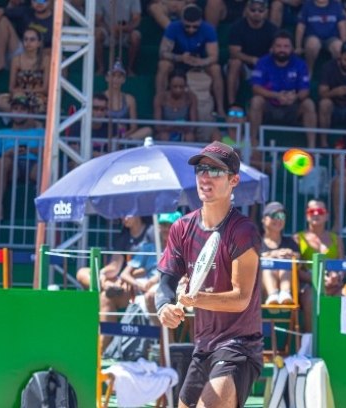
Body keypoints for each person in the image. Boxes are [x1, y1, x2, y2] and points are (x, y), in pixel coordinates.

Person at [155, 141, 263, 408]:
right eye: (202, 169)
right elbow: (166, 283)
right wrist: (164, 307)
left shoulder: (243, 231)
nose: (205, 177)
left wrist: (196, 299)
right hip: (203, 347)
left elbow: (241, 299)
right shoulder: (181, 227)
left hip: (240, 347)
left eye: (216, 171)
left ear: (233, 180)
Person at [77, 215, 155, 349]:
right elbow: (115, 267)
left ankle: (101, 349)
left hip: (140, 283)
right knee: (82, 273)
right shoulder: (123, 237)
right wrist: (101, 275)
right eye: (121, 214)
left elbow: (150, 266)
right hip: (121, 281)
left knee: (106, 297)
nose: (123, 217)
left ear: (139, 213)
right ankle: (105, 286)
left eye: (127, 213)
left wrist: (128, 278)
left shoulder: (152, 232)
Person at [249, 30, 318, 147]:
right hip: (269, 106)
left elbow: (305, 90)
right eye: (279, 46)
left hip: (292, 106)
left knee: (309, 104)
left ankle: (312, 148)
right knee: (256, 101)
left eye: (286, 46)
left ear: (292, 49)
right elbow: (255, 87)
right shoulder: (263, 62)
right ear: (272, 48)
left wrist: (294, 97)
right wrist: (276, 95)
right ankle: (252, 142)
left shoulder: (300, 64)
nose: (282, 49)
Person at [156, 4, 226, 118]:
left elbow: (214, 56)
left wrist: (201, 62)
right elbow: (162, 52)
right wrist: (180, 58)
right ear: (182, 21)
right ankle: (160, 104)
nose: (191, 30)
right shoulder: (173, 27)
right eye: (187, 26)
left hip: (200, 60)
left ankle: (220, 108)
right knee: (163, 65)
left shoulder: (208, 29)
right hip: (179, 59)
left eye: (195, 27)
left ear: (200, 22)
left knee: (216, 68)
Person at [120, 211, 183, 325]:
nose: (166, 229)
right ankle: (104, 342)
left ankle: (164, 339)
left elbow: (182, 273)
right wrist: (140, 284)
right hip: (146, 289)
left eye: (170, 225)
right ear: (158, 226)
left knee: (151, 296)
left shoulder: (182, 249)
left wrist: (153, 280)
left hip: (174, 288)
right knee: (108, 296)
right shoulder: (149, 248)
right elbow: (124, 274)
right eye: (163, 224)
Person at [0, 94, 44, 221]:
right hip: (12, 166)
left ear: (29, 112)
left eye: (22, 109)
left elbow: (48, 153)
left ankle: (43, 211)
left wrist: (29, 150)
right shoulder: (0, 133)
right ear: (11, 112)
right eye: (16, 108)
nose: (18, 112)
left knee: (45, 166)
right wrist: (8, 153)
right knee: (3, 162)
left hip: (33, 165)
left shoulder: (40, 132)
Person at [294, 199, 344, 330]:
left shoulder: (336, 239)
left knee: (344, 299)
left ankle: (336, 340)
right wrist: (319, 280)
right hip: (309, 284)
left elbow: (342, 265)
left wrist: (337, 277)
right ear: (306, 215)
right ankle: (310, 341)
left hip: (334, 284)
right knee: (311, 300)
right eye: (312, 211)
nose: (316, 214)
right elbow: (297, 270)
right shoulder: (298, 238)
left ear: (326, 216)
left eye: (320, 211)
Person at [226, 0, 276, 106]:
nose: (256, 13)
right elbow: (234, 53)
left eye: (260, 10)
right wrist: (252, 59)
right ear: (247, 10)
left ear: (266, 12)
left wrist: (262, 62)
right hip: (245, 67)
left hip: (264, 66)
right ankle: (232, 104)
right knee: (235, 63)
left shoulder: (272, 29)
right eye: (253, 10)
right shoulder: (237, 27)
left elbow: (275, 52)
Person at [0, 0, 53, 72]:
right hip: (21, 50)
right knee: (3, 21)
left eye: (43, 0)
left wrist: (34, 51)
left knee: (55, 55)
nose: (39, 3)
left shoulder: (55, 21)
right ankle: (0, 62)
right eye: (35, 0)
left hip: (40, 56)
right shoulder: (25, 11)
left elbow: (56, 48)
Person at [0, 27, 50, 114]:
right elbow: (11, 87)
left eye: (32, 40)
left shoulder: (46, 60)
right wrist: (19, 94)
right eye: (25, 39)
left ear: (39, 43)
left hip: (38, 97)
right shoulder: (16, 60)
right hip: (19, 95)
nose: (28, 42)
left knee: (40, 105)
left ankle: (21, 115)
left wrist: (27, 92)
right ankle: (25, 116)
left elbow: (45, 89)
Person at [260, 201, 300, 305]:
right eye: (274, 215)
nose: (278, 219)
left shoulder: (290, 242)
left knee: (285, 261)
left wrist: (292, 255)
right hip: (260, 289)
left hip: (288, 287)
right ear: (264, 219)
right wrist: (271, 255)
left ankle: (284, 294)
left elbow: (300, 264)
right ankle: (273, 294)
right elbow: (249, 262)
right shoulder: (256, 242)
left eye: (281, 215)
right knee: (268, 263)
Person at [294, 0, 346, 77]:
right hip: (312, 36)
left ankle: (336, 74)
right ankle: (308, 70)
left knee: (338, 46)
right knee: (312, 44)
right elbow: (300, 27)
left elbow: (342, 26)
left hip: (331, 38)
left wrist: (345, 45)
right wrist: (298, 46)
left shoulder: (336, 5)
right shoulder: (307, 5)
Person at [104, 61, 153, 140]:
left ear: (123, 80)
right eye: (113, 76)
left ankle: (122, 143)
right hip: (105, 135)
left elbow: (133, 127)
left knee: (147, 130)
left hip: (124, 136)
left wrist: (123, 136)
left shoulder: (129, 99)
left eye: (119, 76)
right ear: (107, 78)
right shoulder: (100, 97)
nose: (116, 79)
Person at [94, 0, 142, 76]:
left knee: (136, 36)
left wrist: (122, 29)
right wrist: (110, 29)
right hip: (108, 31)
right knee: (97, 34)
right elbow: (98, 19)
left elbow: (136, 19)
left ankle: (129, 68)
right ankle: (101, 67)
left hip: (126, 31)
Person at [153, 70, 198, 142]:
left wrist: (185, 128)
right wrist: (169, 128)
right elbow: (157, 125)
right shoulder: (160, 98)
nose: (178, 90)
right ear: (169, 85)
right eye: (175, 87)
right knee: (164, 136)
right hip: (165, 131)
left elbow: (194, 124)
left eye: (181, 87)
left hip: (184, 131)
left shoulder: (191, 97)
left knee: (190, 137)